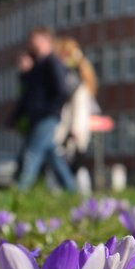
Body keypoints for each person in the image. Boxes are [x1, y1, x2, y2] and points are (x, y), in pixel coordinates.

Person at [9, 27, 77, 193]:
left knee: (32, 152)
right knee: (52, 155)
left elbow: (61, 90)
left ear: (45, 40)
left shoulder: (51, 62)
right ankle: (71, 189)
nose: (31, 43)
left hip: (47, 116)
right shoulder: (36, 66)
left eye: (35, 39)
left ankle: (21, 189)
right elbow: (27, 97)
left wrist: (52, 109)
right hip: (37, 117)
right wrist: (15, 117)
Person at [53, 37, 99, 195]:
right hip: (73, 130)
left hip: (71, 131)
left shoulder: (74, 82)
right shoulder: (79, 79)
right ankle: (77, 194)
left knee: (72, 164)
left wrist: (75, 130)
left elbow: (80, 109)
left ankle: (78, 194)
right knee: (74, 164)